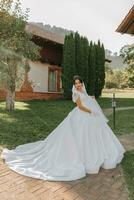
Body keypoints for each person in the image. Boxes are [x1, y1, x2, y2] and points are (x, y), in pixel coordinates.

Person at [1, 75, 126, 181]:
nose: (77, 85)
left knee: (93, 134)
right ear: (74, 85)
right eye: (75, 83)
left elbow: (87, 98)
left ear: (82, 83)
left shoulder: (83, 90)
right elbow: (81, 106)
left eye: (79, 83)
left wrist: (91, 98)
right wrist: (92, 112)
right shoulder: (76, 93)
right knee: (79, 136)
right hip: (81, 115)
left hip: (88, 116)